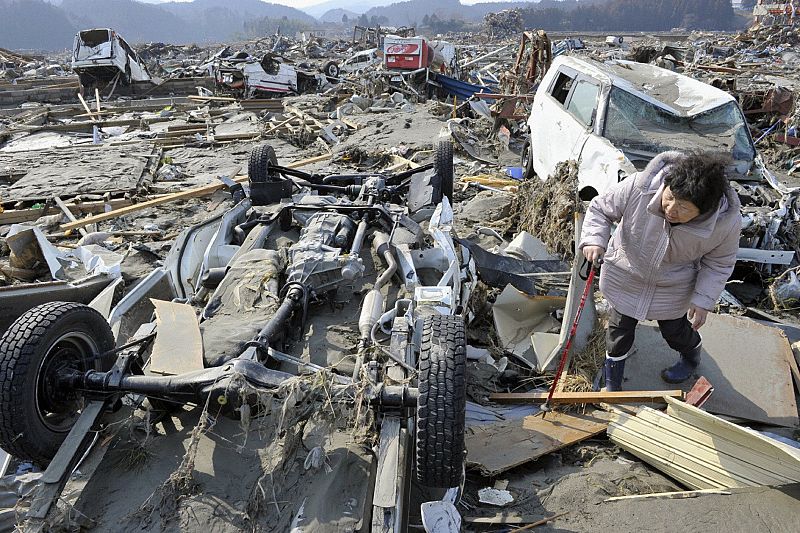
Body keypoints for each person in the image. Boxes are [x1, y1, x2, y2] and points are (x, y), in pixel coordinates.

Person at [579, 151, 742, 391]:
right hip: (626, 275)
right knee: (618, 333)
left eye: (684, 208)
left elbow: (719, 263)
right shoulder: (639, 186)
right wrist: (595, 239)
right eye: (671, 197)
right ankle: (613, 382)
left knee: (676, 333)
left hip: (673, 286)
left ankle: (691, 356)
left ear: (704, 211)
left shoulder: (725, 223)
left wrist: (703, 300)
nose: (671, 209)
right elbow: (601, 209)